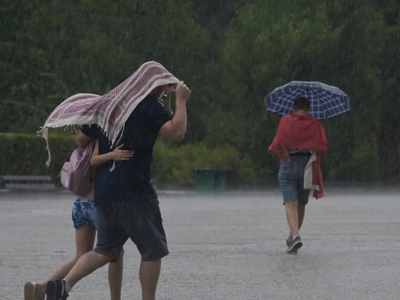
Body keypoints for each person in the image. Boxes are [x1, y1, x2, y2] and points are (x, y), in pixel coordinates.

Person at [45, 80, 191, 300]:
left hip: (104, 193)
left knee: (104, 250)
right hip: (134, 191)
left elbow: (81, 138)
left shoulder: (108, 106)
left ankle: (65, 285)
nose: (163, 92)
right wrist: (180, 99)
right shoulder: (147, 105)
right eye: (162, 86)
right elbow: (177, 132)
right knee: (152, 250)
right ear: (153, 85)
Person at [24, 130, 133, 300]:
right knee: (116, 251)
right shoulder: (104, 135)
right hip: (96, 204)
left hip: (79, 203)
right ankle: (115, 298)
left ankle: (42, 288)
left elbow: (83, 142)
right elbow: (96, 163)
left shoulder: (87, 137)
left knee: (81, 255)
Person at [268, 97, 327, 254]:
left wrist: (287, 157)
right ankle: (293, 237)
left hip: (289, 165)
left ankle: (294, 236)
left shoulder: (286, 121)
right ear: (309, 109)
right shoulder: (315, 123)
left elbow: (279, 141)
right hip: (307, 166)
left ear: (293, 108)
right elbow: (320, 146)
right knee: (301, 204)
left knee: (290, 202)